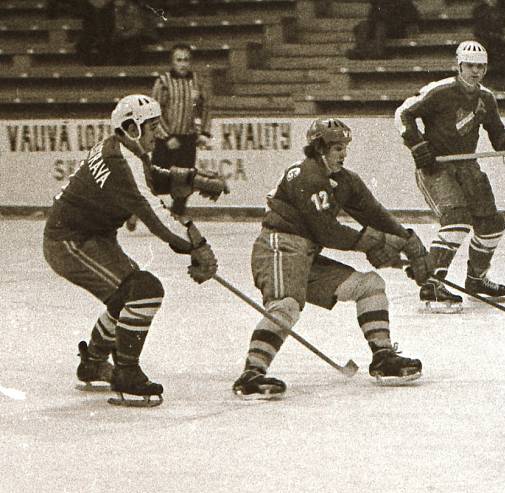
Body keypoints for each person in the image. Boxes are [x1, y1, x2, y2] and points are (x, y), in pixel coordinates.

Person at [232, 118, 433, 399]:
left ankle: (383, 355)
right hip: (278, 247)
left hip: (307, 255)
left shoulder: (342, 179)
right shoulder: (306, 175)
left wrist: (408, 240)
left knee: (370, 284)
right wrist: (379, 243)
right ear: (318, 148)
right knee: (286, 305)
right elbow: (326, 231)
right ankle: (252, 373)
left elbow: (373, 212)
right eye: (337, 147)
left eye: (345, 147)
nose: (343, 153)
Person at [42, 94, 221, 406]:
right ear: (131, 128)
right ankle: (125, 371)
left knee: (131, 293)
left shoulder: (121, 149)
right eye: (152, 127)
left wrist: (192, 179)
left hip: (91, 236)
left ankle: (94, 362)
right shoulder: (120, 160)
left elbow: (149, 178)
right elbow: (154, 213)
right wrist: (198, 244)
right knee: (144, 290)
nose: (158, 134)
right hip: (69, 241)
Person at [394, 40, 505, 312]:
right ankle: (432, 284)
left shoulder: (487, 99)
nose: (476, 71)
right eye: (470, 65)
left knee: (493, 225)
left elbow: (498, 134)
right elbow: (402, 114)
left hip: (468, 167)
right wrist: (417, 145)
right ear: (459, 65)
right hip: (436, 168)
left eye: (481, 66)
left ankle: (476, 279)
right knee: (456, 221)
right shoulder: (440, 91)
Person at [151, 44, 212, 215]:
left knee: (184, 181)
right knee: (157, 180)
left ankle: (177, 215)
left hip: (187, 138)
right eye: (179, 60)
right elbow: (154, 111)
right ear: (172, 62)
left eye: (186, 60)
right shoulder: (163, 82)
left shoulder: (197, 81)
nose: (183, 64)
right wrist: (166, 136)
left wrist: (204, 132)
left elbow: (206, 106)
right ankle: (136, 212)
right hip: (166, 139)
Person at [346, 0, 420, 60]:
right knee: (364, 25)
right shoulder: (377, 4)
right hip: (380, 27)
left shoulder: (403, 2)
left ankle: (378, 51)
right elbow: (372, 19)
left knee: (381, 26)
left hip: (397, 29)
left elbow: (412, 17)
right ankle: (359, 50)